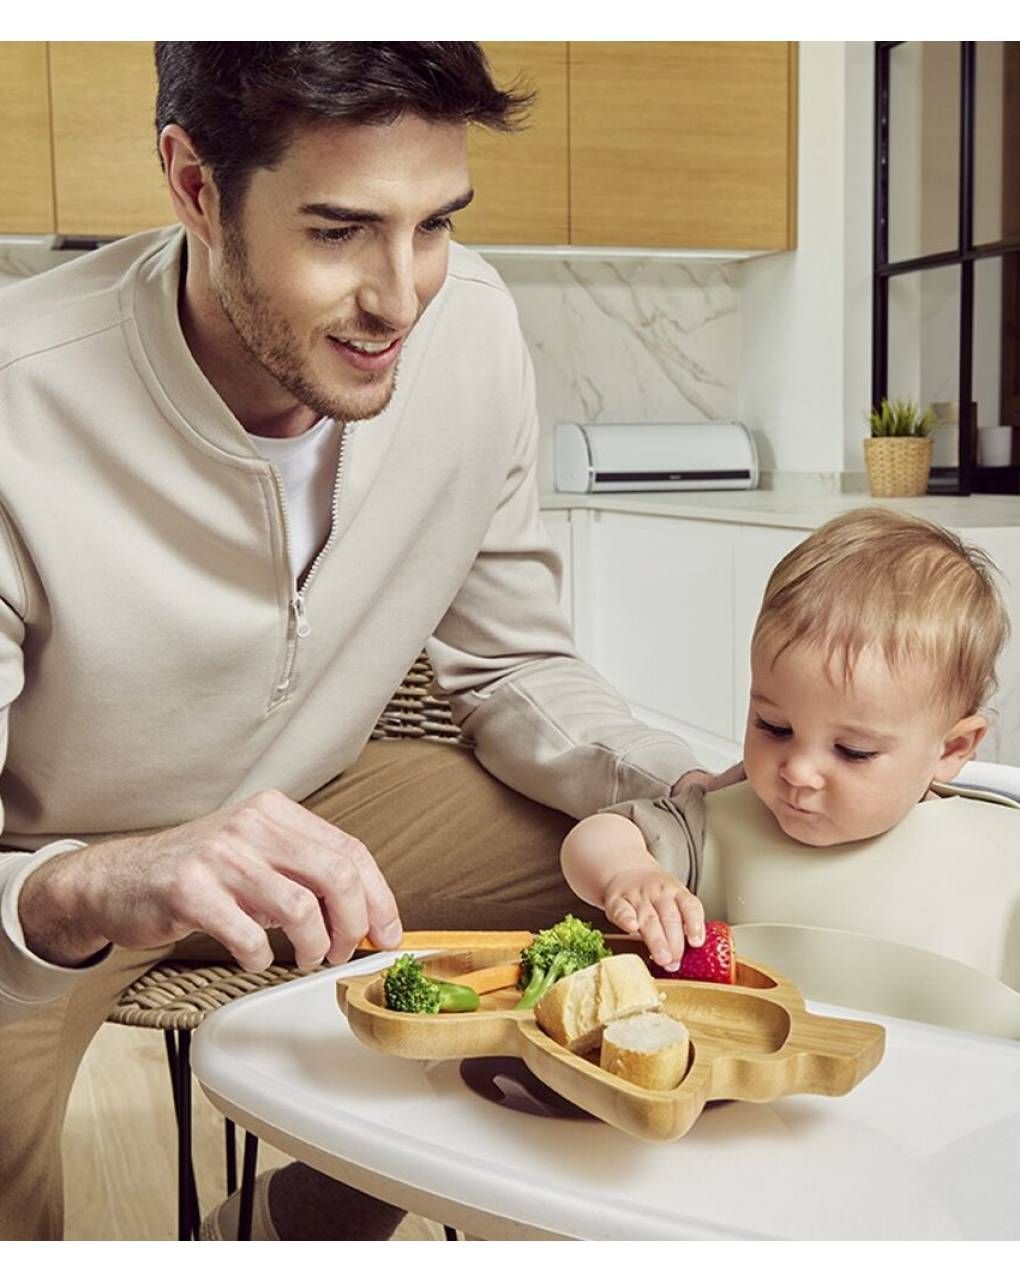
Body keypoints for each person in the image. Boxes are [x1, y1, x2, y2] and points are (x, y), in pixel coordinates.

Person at [0, 42, 725, 1241]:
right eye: (338, 232)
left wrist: (674, 783)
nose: (402, 298)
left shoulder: (476, 333)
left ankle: (316, 1219)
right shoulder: (20, 403)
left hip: (321, 803)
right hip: (51, 881)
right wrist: (95, 882)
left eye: (434, 224)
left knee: (654, 873)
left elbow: (511, 666)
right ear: (193, 184)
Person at [562, 507, 1019, 990]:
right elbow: (598, 836)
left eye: (853, 751)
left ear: (952, 749)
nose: (798, 771)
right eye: (775, 726)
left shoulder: (1001, 853)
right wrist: (627, 871)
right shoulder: (717, 826)